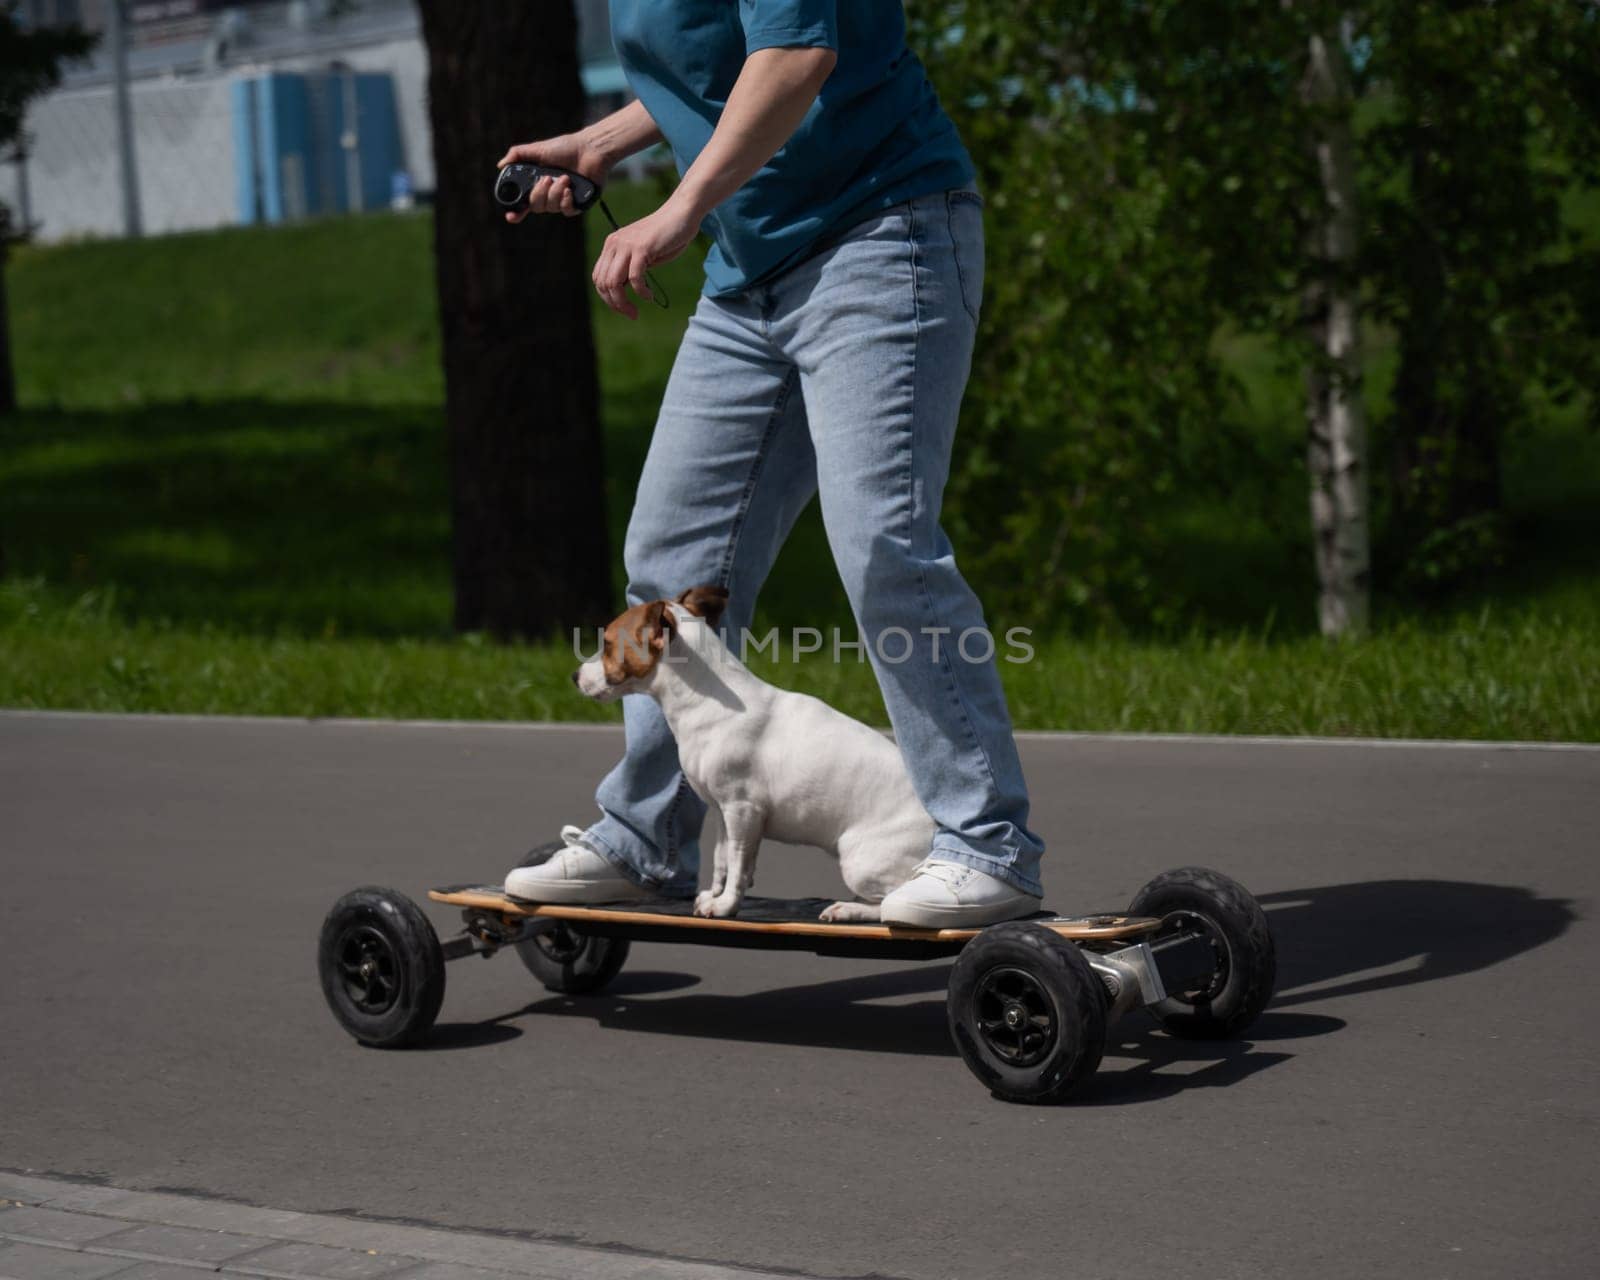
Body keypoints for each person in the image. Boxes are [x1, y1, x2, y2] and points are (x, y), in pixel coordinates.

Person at [498, 1, 1044, 927]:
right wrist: (602, 141)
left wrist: (680, 206)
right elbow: (712, 64)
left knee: (883, 547)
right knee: (673, 559)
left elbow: (795, 54)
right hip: (748, 276)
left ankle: (986, 847)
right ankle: (644, 836)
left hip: (879, 234)